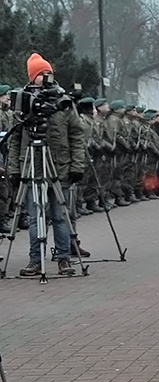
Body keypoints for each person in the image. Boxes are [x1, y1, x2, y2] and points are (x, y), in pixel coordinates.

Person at [7, 53, 85, 276]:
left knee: (59, 216)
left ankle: (64, 258)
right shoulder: (23, 103)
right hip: (31, 168)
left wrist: (77, 166)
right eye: (40, 74)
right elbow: (15, 141)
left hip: (59, 168)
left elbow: (77, 136)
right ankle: (34, 259)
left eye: (48, 73)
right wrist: (14, 169)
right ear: (32, 78)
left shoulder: (64, 102)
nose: (45, 77)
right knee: (34, 216)